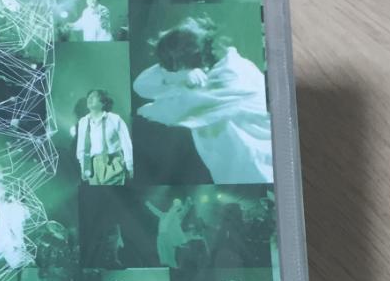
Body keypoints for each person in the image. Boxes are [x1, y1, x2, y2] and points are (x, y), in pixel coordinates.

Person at [133, 17, 273, 184]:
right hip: (248, 166)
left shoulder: (226, 79)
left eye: (174, 65)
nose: (167, 69)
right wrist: (182, 76)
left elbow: (156, 110)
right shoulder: (232, 62)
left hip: (257, 170)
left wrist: (178, 78)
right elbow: (141, 86)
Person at [76, 90, 133, 185]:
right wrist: (83, 168)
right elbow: (81, 147)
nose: (90, 98)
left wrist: (130, 166)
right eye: (89, 96)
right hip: (92, 167)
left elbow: (126, 143)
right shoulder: (83, 122)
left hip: (113, 164)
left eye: (94, 96)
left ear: (103, 102)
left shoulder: (115, 119)